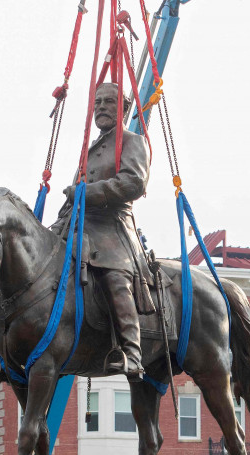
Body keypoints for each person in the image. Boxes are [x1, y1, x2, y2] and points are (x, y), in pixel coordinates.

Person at [52, 82, 155, 379]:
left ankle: (132, 352)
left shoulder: (133, 141)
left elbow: (133, 184)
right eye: (97, 103)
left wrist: (85, 192)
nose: (100, 107)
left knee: (114, 278)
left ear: (124, 108)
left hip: (112, 227)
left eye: (108, 102)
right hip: (78, 224)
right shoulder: (91, 147)